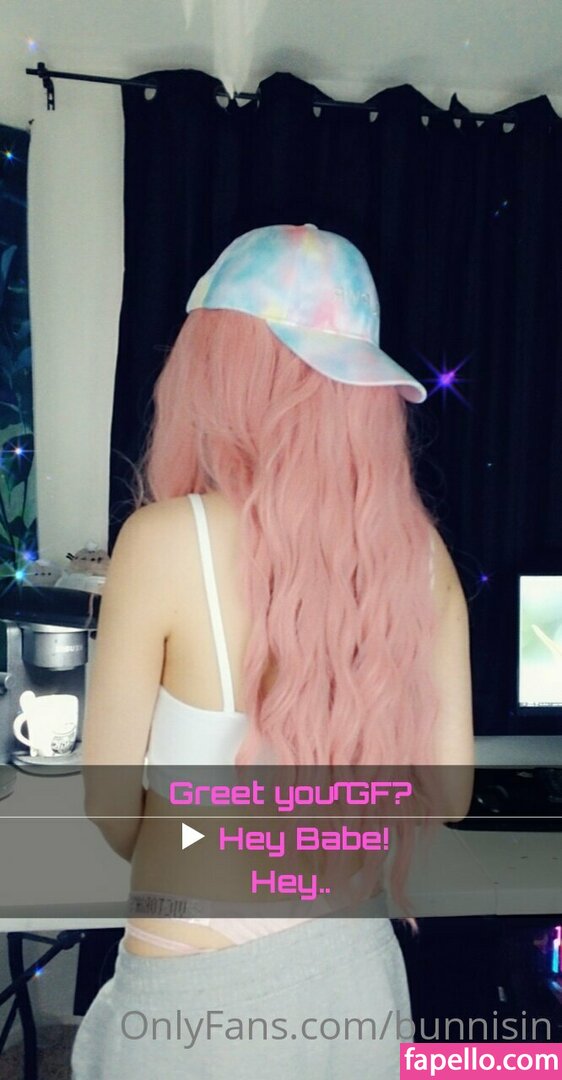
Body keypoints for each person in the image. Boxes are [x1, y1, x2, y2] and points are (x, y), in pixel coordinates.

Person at [71, 223, 474, 1078]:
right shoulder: (422, 555)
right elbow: (449, 794)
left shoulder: (164, 541)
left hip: (196, 1000)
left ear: (219, 372)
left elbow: (109, 808)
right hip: (357, 973)